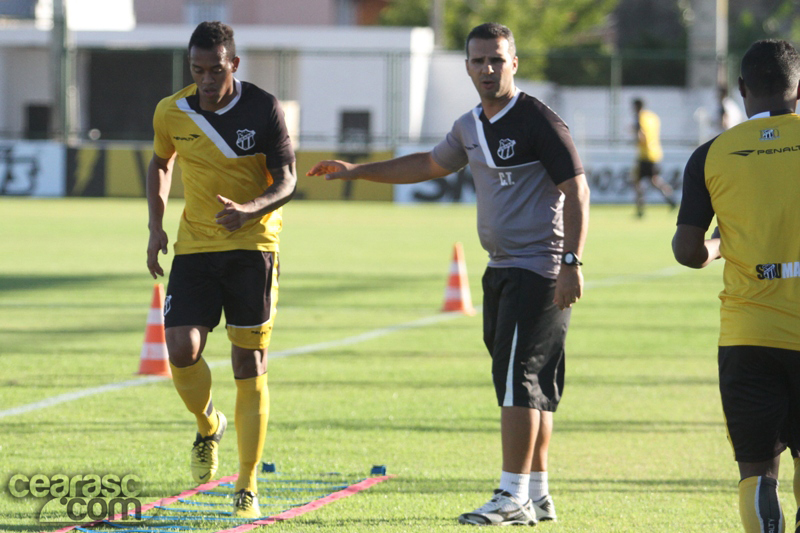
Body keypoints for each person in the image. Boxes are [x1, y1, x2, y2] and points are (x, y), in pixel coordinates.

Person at [308, 22, 590, 527]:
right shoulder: (469, 126)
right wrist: (357, 171)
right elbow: (427, 164)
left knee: (518, 384)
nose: (487, 69)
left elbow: (578, 190)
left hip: (539, 271)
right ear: (466, 66)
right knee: (531, 386)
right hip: (500, 270)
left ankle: (512, 495)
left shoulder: (539, 121)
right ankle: (539, 494)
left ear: (514, 63)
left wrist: (571, 262)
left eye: (496, 60)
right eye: (478, 60)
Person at [146, 21, 297, 519]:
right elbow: (161, 161)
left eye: (216, 69)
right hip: (195, 245)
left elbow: (288, 178)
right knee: (180, 347)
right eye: (197, 70)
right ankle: (208, 425)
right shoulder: (172, 110)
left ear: (234, 64)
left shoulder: (263, 107)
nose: (207, 79)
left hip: (254, 244)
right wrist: (155, 226)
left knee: (246, 362)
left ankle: (248, 483)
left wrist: (253, 208)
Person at [672, 39, 800, 533]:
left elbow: (687, 252)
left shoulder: (711, 154)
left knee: (757, 471)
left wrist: (721, 244)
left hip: (748, 335)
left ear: (742, 88)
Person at [632, 98, 676, 217]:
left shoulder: (639, 117)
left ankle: (640, 210)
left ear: (636, 107)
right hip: (655, 153)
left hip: (644, 155)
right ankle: (670, 197)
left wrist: (635, 137)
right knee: (655, 180)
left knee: (637, 182)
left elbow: (641, 136)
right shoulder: (652, 117)